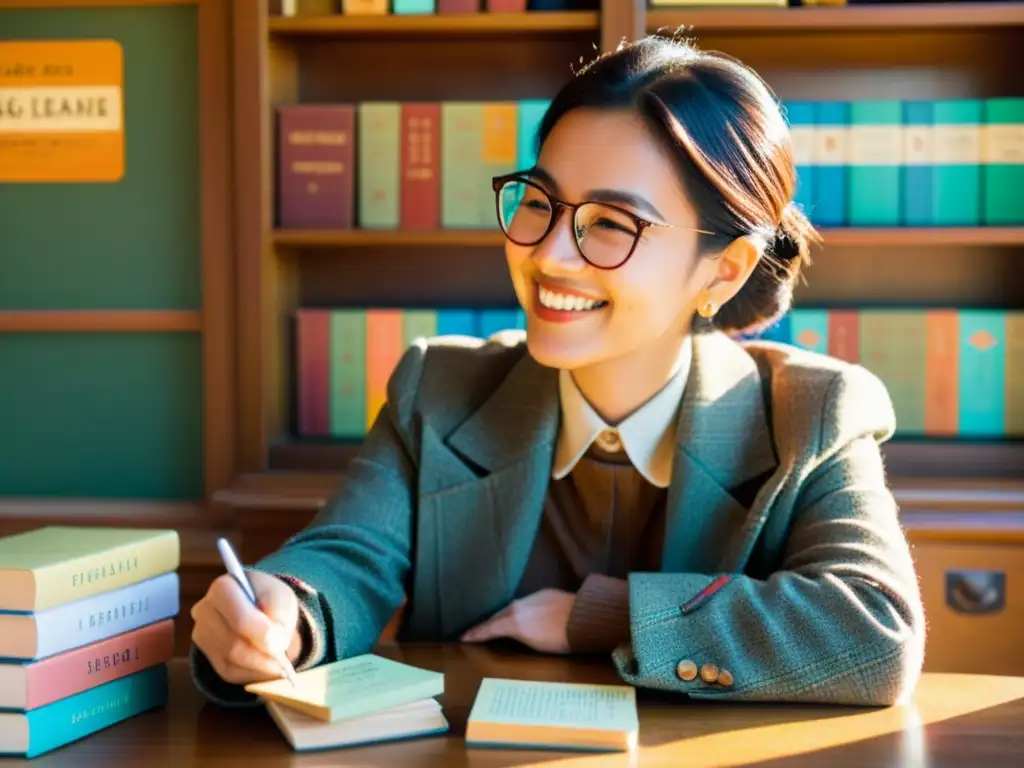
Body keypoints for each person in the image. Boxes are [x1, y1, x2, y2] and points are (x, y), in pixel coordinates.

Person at [190, 35, 925, 708]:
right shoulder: (439, 391)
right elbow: (348, 557)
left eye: (610, 223)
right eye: (540, 202)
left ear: (724, 271)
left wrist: (599, 616)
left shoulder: (811, 414)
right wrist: (287, 612)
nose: (548, 255)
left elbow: (875, 634)